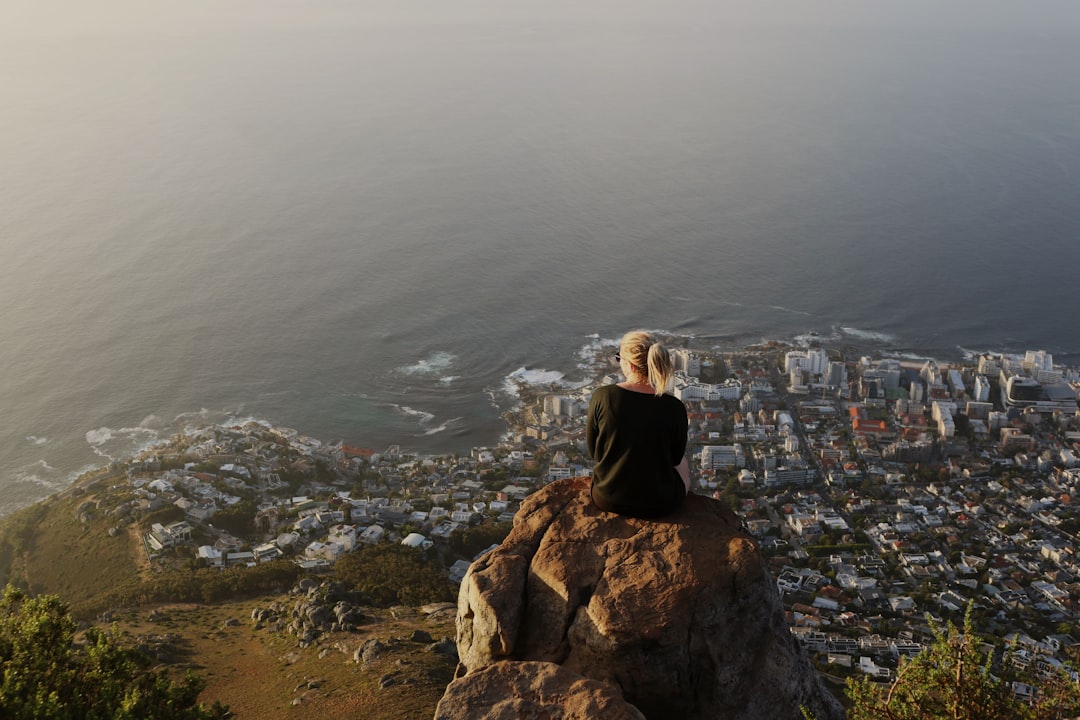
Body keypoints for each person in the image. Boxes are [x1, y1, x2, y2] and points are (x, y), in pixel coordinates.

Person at [586, 331, 690, 518]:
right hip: (660, 504)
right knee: (684, 463)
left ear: (631, 366)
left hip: (607, 498)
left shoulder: (603, 396)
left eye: (620, 359)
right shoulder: (674, 407)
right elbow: (675, 459)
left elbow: (595, 452)